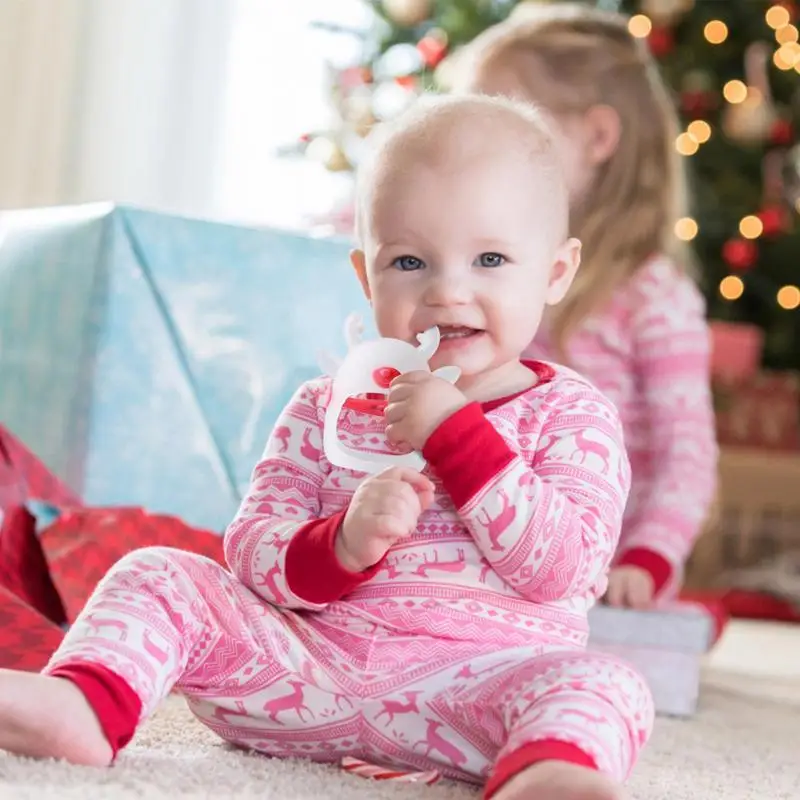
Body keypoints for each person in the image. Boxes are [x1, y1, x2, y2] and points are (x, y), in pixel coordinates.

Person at [0, 94, 652, 800]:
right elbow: (251, 550)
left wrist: (458, 437)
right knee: (160, 572)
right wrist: (340, 544)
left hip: (474, 695)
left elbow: (564, 569)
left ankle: (545, 772)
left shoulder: (572, 413)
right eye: (410, 262)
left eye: (490, 258)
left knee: (608, 685)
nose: (448, 291)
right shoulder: (326, 405)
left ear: (556, 272)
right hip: (305, 676)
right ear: (367, 277)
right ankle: (85, 704)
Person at [455, 3, 718, 610]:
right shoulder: (485, 273)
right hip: (492, 544)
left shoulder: (656, 297)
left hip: (601, 573)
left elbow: (688, 455)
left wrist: (648, 558)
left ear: (597, 137)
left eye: (504, 121)